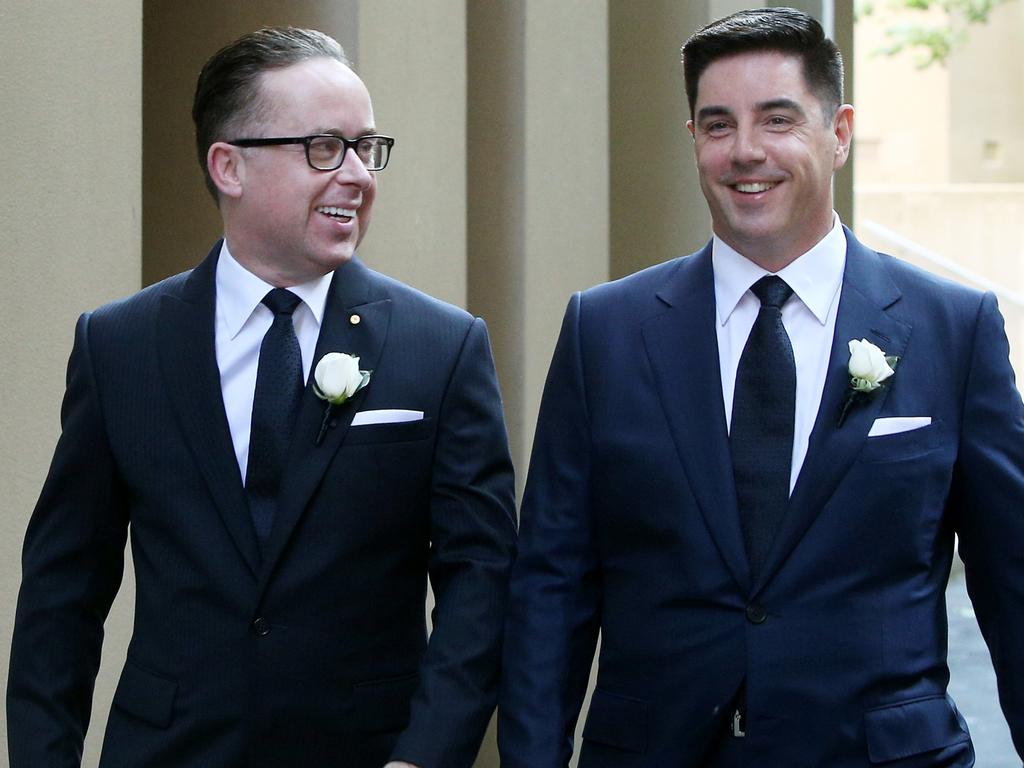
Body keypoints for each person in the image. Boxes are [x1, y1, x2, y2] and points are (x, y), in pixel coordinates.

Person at [498, 7, 1024, 766]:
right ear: (693, 142)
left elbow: (1011, 584)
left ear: (839, 131)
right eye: (717, 126)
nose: (745, 152)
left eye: (777, 119)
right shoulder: (603, 332)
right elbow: (553, 588)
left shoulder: (954, 329)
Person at [8, 26, 516, 768]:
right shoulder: (118, 346)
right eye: (323, 148)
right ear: (229, 165)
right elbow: (64, 591)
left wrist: (425, 755)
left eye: (366, 148)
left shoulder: (442, 348)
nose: (356, 174)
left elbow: (483, 580)